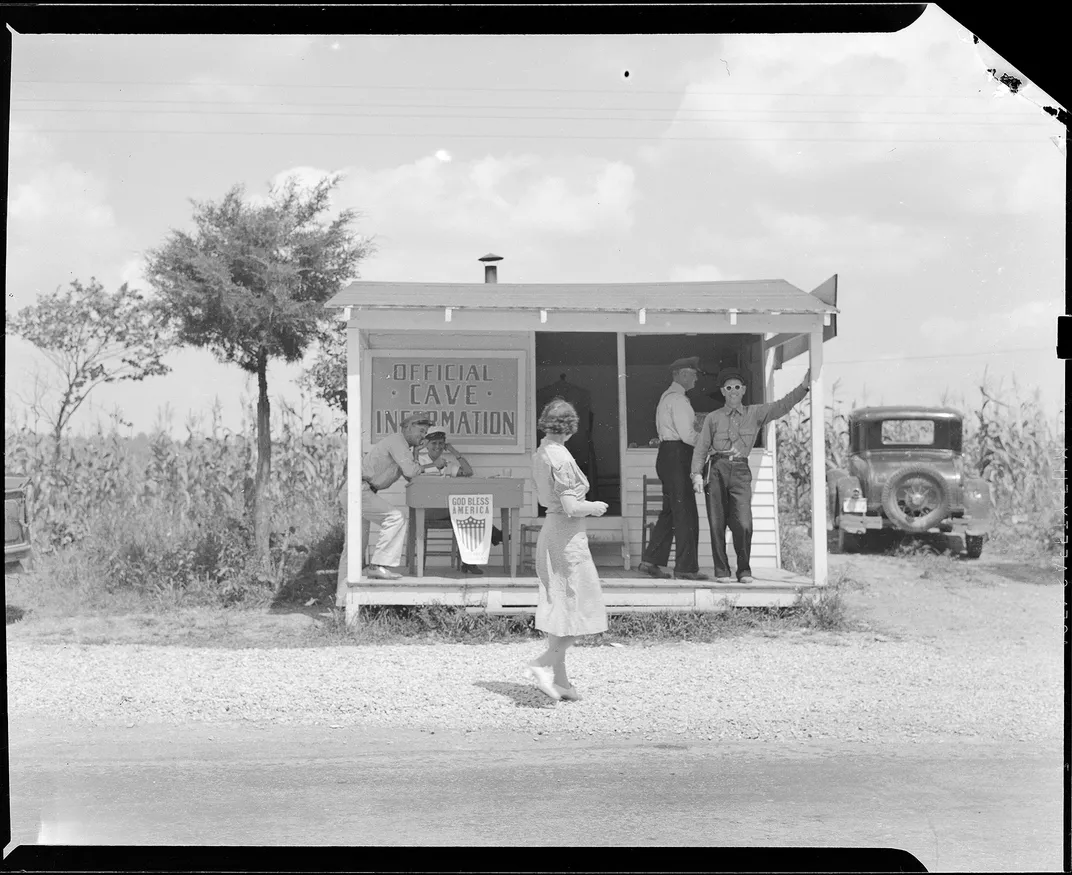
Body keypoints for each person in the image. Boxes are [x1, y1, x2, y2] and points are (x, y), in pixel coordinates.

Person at [692, 367, 811, 584]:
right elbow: (701, 448)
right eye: (729, 388)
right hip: (717, 469)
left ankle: (744, 570)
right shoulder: (713, 417)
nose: (733, 391)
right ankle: (722, 571)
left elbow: (782, 405)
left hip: (740, 471)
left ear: (744, 390)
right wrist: (697, 475)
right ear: (723, 391)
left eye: (737, 387)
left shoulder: (755, 413)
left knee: (744, 523)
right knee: (716, 523)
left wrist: (804, 386)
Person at [525, 399, 608, 702]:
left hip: (552, 529)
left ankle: (561, 681)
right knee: (581, 604)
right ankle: (543, 663)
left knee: (560, 605)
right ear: (571, 427)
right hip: (566, 534)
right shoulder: (560, 457)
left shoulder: (542, 452)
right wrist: (595, 507)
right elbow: (573, 506)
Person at [335, 414, 439, 608]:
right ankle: (378, 565)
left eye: (425, 432)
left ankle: (341, 602)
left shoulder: (405, 448)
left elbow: (410, 475)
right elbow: (410, 471)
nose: (423, 435)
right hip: (359, 489)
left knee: (354, 550)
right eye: (420, 430)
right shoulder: (397, 441)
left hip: (361, 491)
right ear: (406, 427)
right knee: (395, 517)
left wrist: (416, 453)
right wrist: (426, 465)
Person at [636, 356, 710, 581]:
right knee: (686, 512)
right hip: (678, 456)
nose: (696, 378)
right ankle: (686, 569)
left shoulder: (667, 397)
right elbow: (688, 435)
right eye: (693, 374)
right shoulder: (678, 400)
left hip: (668, 456)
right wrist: (709, 442)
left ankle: (650, 561)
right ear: (682, 374)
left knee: (670, 512)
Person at [416, 426, 499, 575]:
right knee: (465, 511)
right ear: (426, 444)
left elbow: (468, 472)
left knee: (469, 514)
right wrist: (432, 465)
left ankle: (469, 563)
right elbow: (412, 472)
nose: (438, 447)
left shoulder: (446, 463)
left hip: (447, 510)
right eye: (434, 443)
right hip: (426, 510)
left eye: (441, 443)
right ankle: (496, 535)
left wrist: (454, 451)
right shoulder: (419, 460)